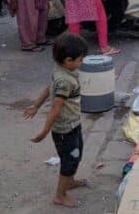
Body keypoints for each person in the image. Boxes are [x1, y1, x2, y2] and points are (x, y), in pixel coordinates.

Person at [24, 34, 89, 208]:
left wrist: (36, 105)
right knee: (69, 160)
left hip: (73, 124)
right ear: (68, 60)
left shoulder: (62, 70)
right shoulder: (64, 80)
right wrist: (44, 131)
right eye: (80, 59)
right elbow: (55, 108)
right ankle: (60, 195)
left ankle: (70, 181)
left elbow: (48, 88)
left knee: (76, 154)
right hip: (64, 130)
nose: (81, 62)